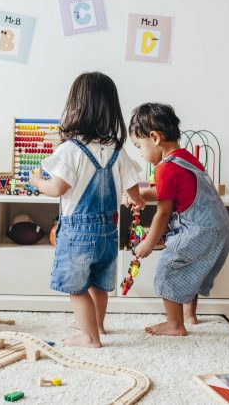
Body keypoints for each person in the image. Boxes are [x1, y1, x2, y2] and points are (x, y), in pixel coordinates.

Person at [30, 72, 145, 348]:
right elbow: (134, 192)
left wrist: (37, 181)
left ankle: (89, 337)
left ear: (76, 107)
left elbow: (57, 188)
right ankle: (99, 326)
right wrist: (134, 200)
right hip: (109, 232)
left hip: (78, 234)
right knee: (99, 284)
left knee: (77, 288)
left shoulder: (71, 149)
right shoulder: (117, 149)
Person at [128, 103, 229, 336]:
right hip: (220, 227)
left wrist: (148, 242)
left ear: (154, 138)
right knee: (191, 270)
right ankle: (189, 315)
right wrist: (142, 194)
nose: (141, 155)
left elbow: (163, 212)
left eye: (139, 147)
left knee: (169, 269)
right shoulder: (186, 159)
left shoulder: (164, 169)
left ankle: (175, 325)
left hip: (199, 229)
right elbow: (174, 192)